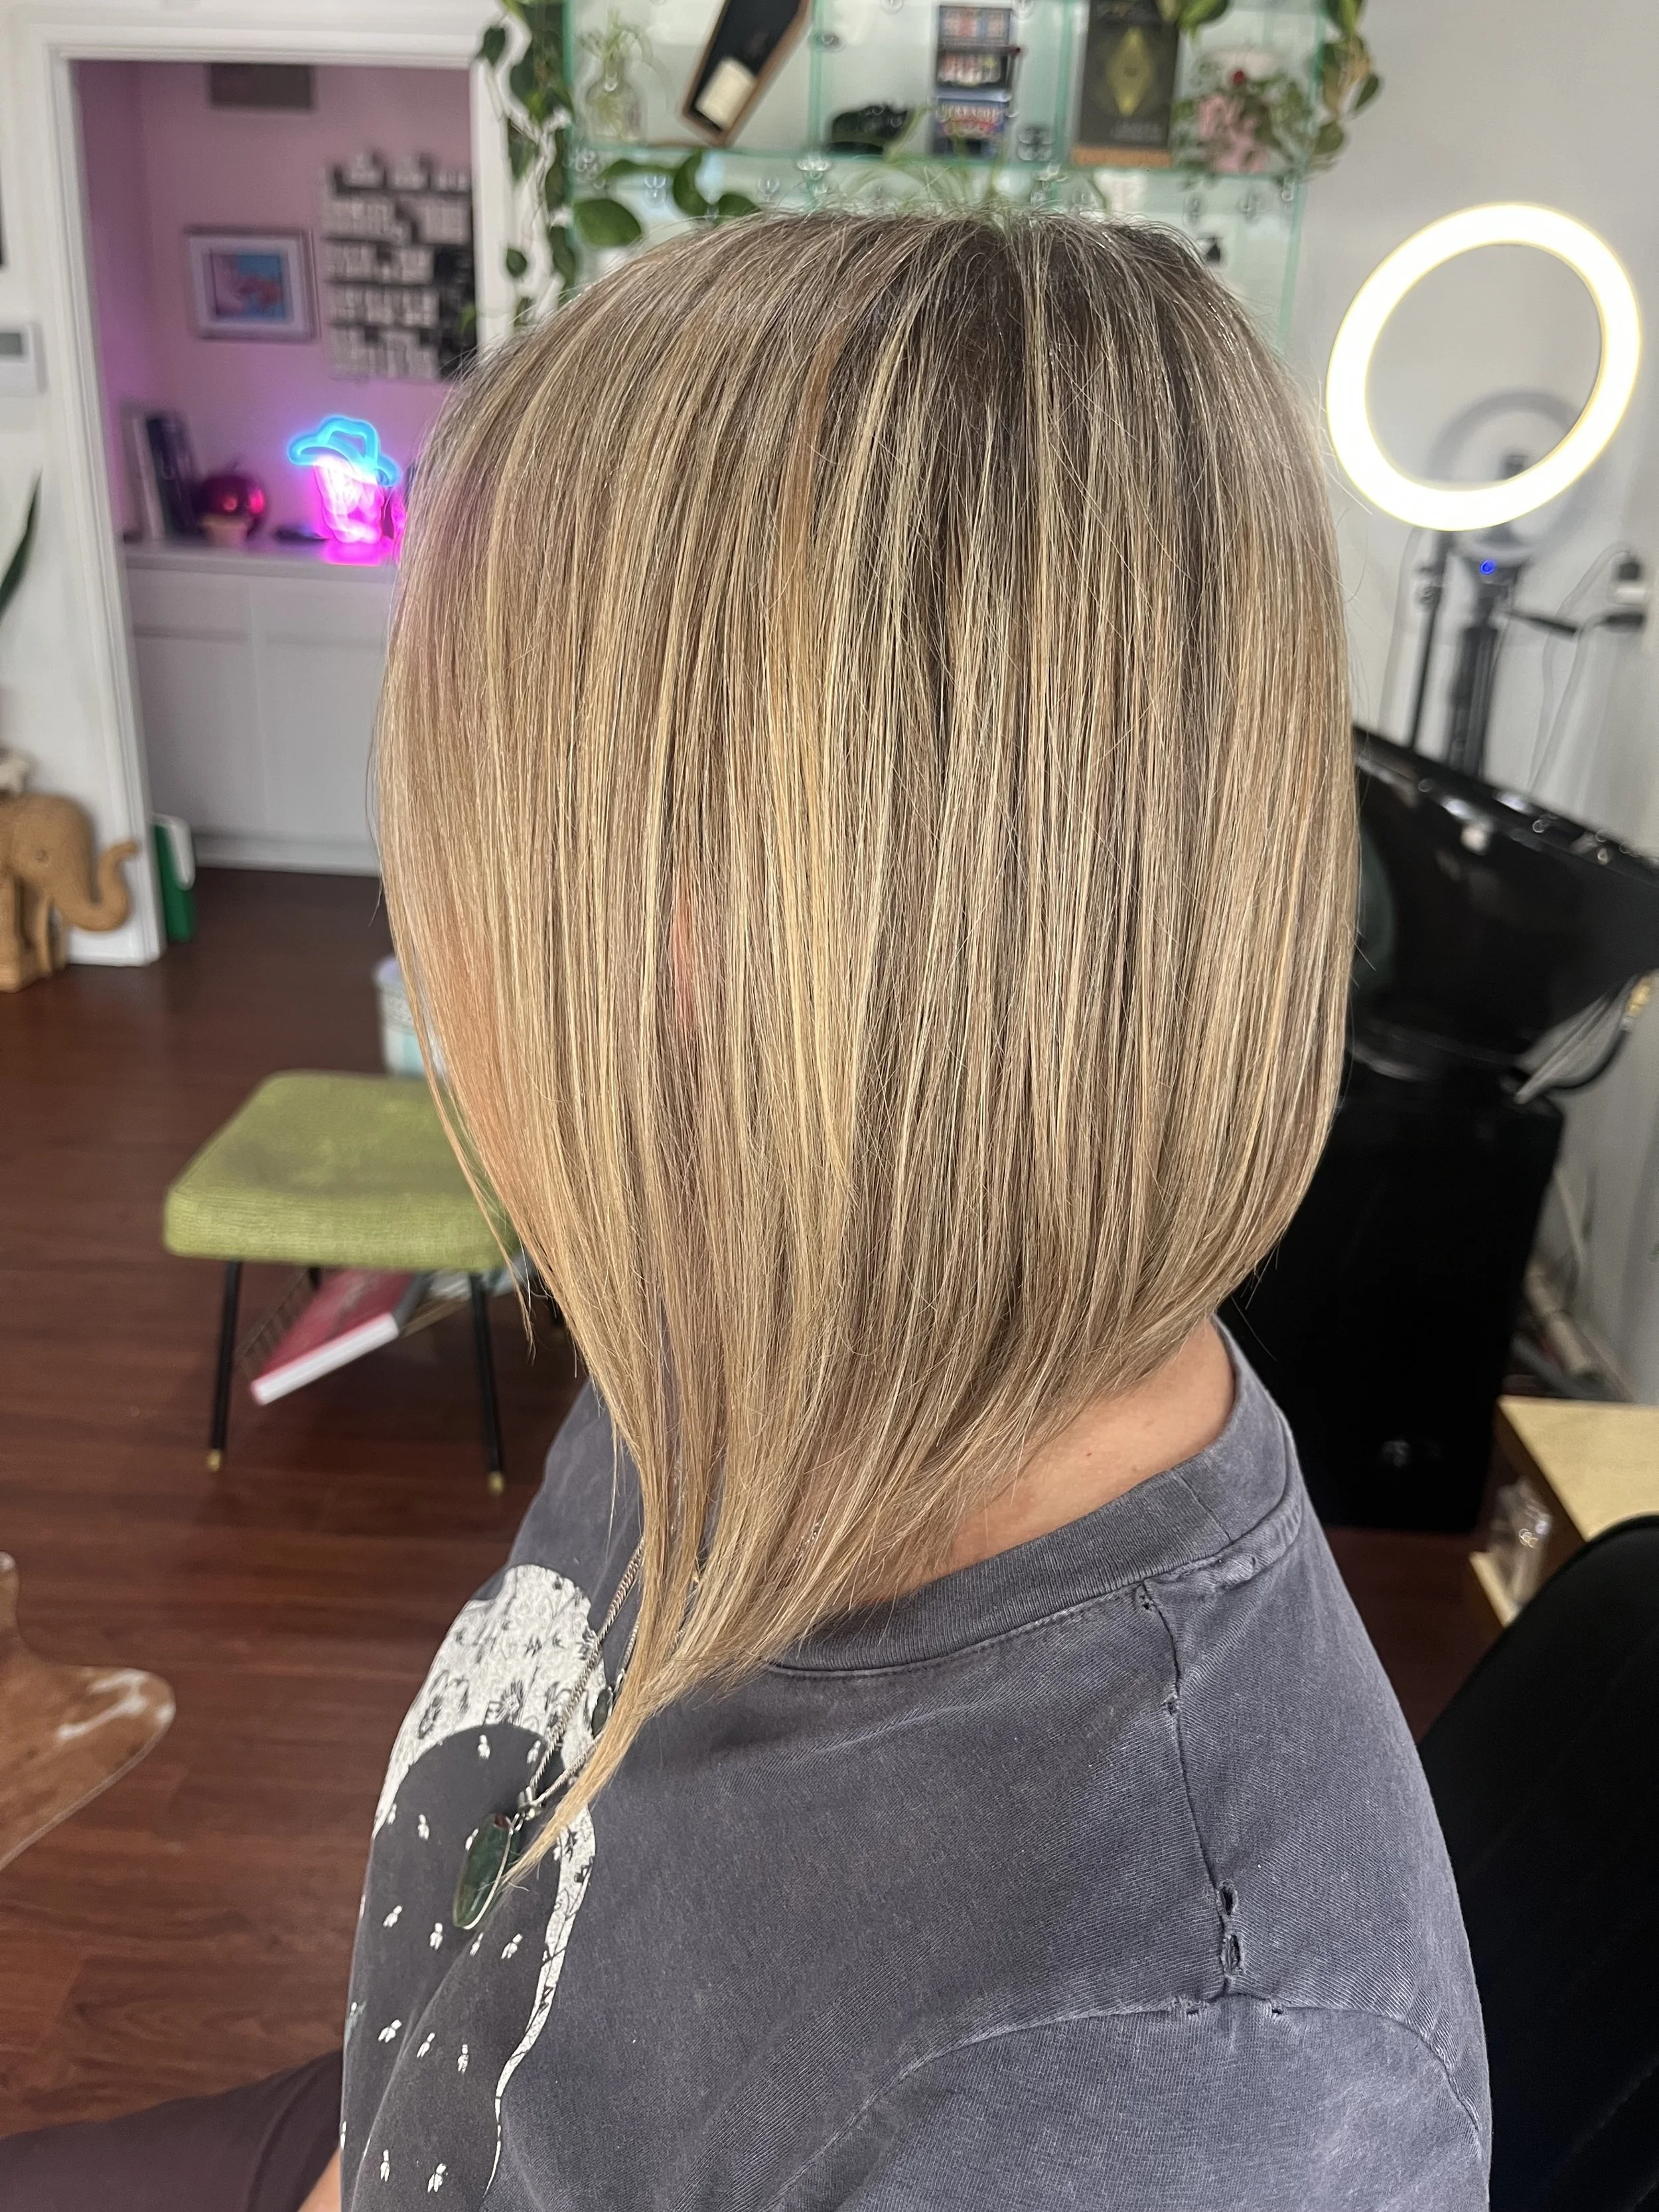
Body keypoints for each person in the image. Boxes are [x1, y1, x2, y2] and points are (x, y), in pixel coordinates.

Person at [0, 212, 1490, 2212]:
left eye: (466, 863)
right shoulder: (757, 1308)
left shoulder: (1163, 2092)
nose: (434, 959)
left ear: (703, 960)